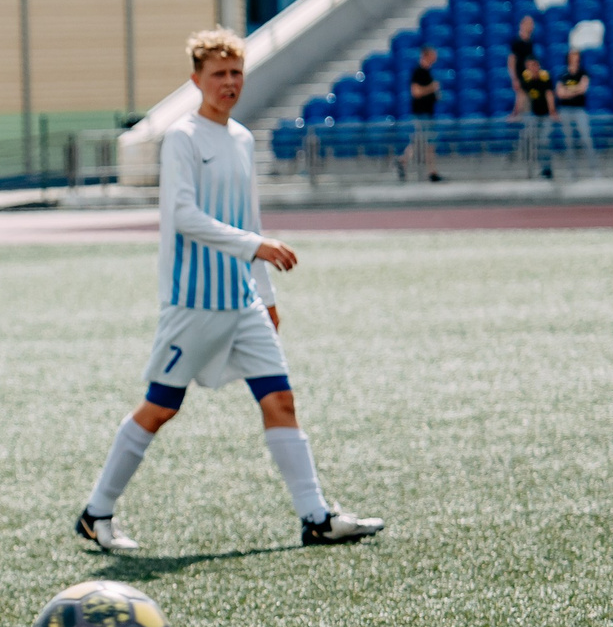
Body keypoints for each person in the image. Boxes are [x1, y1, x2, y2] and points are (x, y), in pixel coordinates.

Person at [76, 29, 384, 554]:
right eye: (218, 74)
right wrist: (255, 247)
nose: (229, 82)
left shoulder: (242, 139)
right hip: (192, 304)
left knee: (280, 399)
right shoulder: (183, 138)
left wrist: (265, 297)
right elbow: (183, 216)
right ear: (196, 78)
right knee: (161, 407)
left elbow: (248, 219)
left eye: (236, 73)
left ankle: (316, 516)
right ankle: (96, 512)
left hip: (241, 304)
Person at [404, 44, 443, 183]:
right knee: (423, 142)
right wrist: (431, 88)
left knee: (425, 142)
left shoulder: (427, 72)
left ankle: (431, 171)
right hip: (421, 113)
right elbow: (416, 92)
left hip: (427, 112)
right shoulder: (418, 72)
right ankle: (404, 162)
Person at [555, 48, 596, 175]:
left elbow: (583, 89)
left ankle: (594, 169)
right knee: (568, 141)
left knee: (586, 139)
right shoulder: (562, 74)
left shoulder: (583, 73)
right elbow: (560, 93)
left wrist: (569, 91)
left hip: (579, 109)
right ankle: (572, 171)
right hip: (565, 110)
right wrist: (575, 91)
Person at [519, 49, 559, 177]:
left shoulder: (544, 77)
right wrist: (518, 112)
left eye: (533, 65)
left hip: (545, 115)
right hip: (534, 114)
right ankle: (530, 169)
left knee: (544, 141)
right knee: (528, 140)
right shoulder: (526, 77)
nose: (531, 68)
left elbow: (549, 95)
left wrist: (553, 112)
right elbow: (523, 95)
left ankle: (547, 169)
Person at [505, 13, 539, 108]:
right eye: (528, 24)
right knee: (522, 103)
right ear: (522, 25)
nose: (531, 26)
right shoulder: (517, 42)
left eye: (532, 24)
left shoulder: (530, 42)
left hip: (529, 79)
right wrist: (515, 78)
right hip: (521, 79)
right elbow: (511, 61)